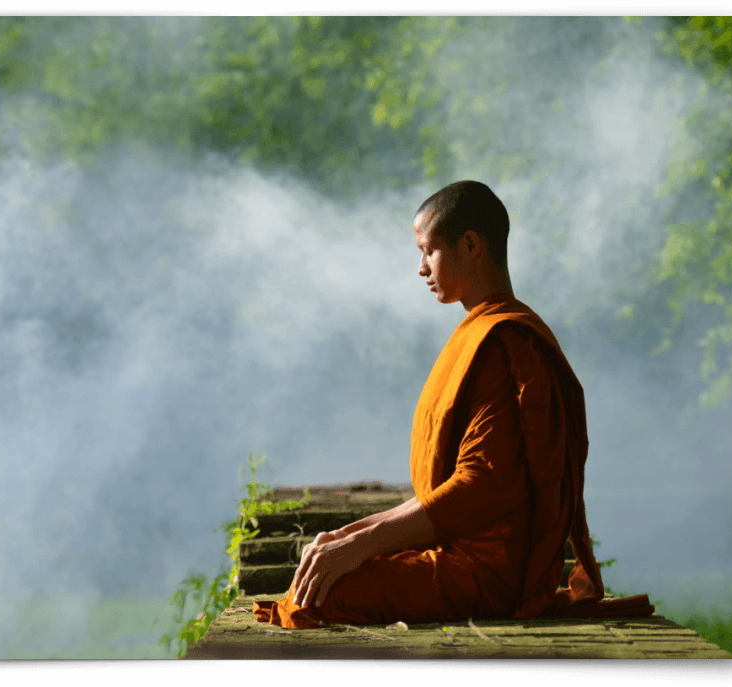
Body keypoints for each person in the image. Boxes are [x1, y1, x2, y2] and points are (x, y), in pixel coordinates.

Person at [253, 180, 653, 629]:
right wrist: (353, 535)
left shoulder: (506, 340)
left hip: (487, 569)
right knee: (323, 569)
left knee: (323, 595)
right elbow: (448, 492)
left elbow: (481, 485)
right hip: (455, 548)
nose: (421, 268)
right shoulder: (478, 333)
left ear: (470, 245)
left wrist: (364, 545)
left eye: (428, 250)